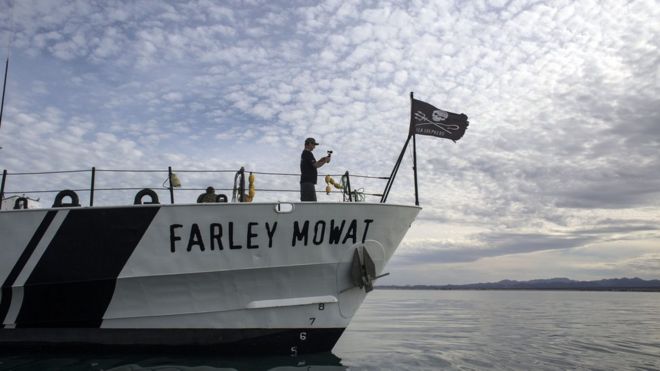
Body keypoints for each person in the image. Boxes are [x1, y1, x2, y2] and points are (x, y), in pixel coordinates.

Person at [300, 137, 330, 201]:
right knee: (311, 204)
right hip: (308, 183)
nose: (314, 147)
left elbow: (313, 164)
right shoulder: (307, 153)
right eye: (313, 145)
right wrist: (325, 161)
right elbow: (316, 165)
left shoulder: (305, 153)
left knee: (308, 204)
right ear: (310, 144)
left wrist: (322, 159)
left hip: (306, 183)